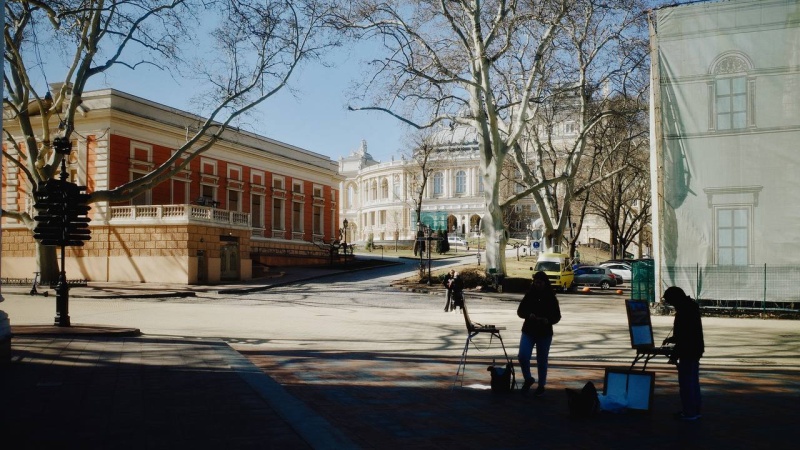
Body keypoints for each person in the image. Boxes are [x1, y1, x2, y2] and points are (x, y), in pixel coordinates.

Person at [662, 286, 704, 420]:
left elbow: (684, 336)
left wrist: (674, 356)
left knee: (686, 383)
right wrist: (672, 339)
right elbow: (687, 333)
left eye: (670, 301)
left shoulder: (683, 311)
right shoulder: (691, 307)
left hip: (688, 350)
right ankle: (695, 410)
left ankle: (689, 412)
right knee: (693, 381)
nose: (670, 304)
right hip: (695, 349)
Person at [517, 271, 561, 395]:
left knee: (542, 360)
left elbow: (557, 316)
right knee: (523, 356)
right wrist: (528, 315)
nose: (538, 285)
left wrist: (548, 320)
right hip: (529, 330)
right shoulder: (529, 295)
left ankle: (541, 385)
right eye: (536, 282)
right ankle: (528, 378)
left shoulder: (551, 297)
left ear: (545, 283)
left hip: (544, 332)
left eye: (540, 283)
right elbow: (520, 311)